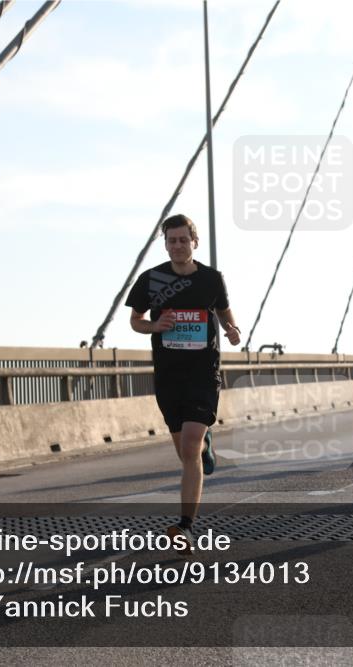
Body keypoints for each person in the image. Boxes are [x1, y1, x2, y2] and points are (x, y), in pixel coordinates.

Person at [126, 214, 240, 555]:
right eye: (172, 240)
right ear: (166, 244)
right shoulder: (151, 279)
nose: (178, 246)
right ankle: (205, 447)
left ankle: (185, 527)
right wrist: (155, 325)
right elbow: (135, 321)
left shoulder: (211, 279)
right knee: (186, 452)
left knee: (189, 446)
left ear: (194, 242)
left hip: (203, 373)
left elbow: (225, 314)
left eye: (183, 240)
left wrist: (233, 330)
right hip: (168, 375)